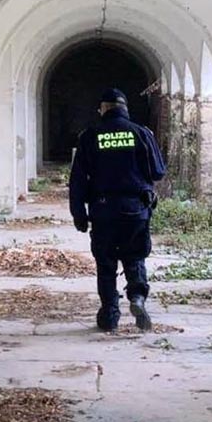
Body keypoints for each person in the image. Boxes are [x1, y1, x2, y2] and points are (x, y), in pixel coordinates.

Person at [69, 87, 166, 332]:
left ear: (103, 109)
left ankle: (110, 314)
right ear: (125, 108)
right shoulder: (142, 133)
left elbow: (78, 180)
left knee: (106, 263)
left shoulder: (90, 136)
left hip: (103, 210)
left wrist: (78, 213)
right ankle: (137, 297)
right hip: (136, 209)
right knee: (135, 257)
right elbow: (158, 171)